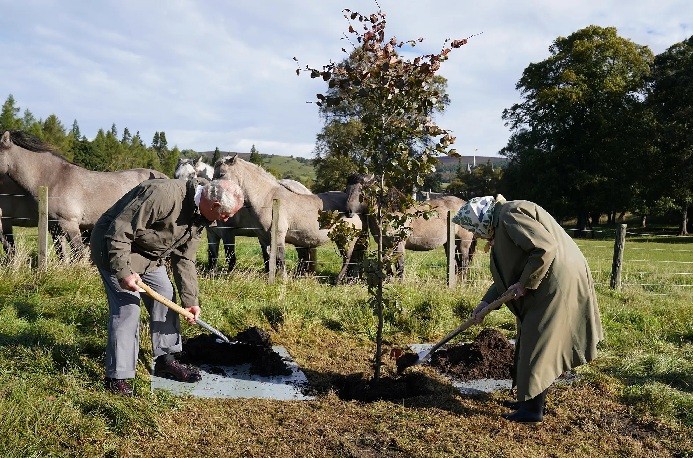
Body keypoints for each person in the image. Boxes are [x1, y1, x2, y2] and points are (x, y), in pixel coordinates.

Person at [453, 194, 603, 424]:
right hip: (545, 282)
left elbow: (544, 248)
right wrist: (485, 303)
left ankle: (532, 411)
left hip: (555, 283)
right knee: (529, 337)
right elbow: (508, 276)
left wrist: (524, 283)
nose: (475, 234)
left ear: (481, 220)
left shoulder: (509, 215)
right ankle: (527, 398)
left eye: (474, 229)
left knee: (537, 341)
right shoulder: (502, 223)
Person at [90, 177, 244, 396]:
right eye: (225, 215)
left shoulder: (201, 215)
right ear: (215, 205)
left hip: (149, 255)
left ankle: (166, 359)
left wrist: (190, 302)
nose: (225, 221)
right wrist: (124, 273)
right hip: (113, 249)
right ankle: (118, 377)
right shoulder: (163, 196)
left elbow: (185, 259)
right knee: (128, 309)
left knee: (165, 294)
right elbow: (119, 232)